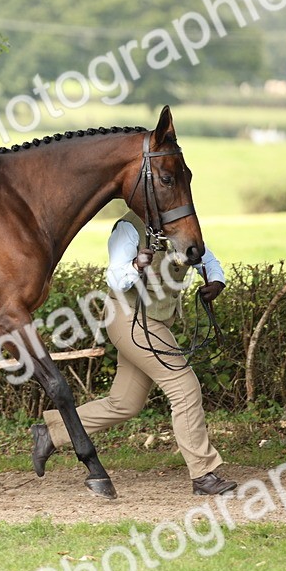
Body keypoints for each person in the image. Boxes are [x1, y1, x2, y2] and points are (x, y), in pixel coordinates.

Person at [30, 209, 238, 496]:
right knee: (184, 387)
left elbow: (206, 256)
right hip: (128, 318)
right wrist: (136, 266)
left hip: (153, 319)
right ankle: (203, 474)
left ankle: (52, 432)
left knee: (124, 403)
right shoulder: (129, 229)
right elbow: (115, 278)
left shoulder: (179, 224)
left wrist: (216, 280)